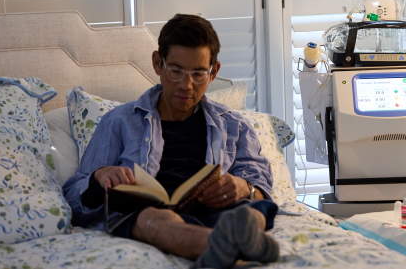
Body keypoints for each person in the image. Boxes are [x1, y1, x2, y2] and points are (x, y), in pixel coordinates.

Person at [63, 14, 279, 269]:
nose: (186, 85)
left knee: (253, 211)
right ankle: (235, 248)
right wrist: (99, 177)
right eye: (176, 71)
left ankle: (232, 243)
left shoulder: (234, 125)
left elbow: (261, 185)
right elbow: (74, 199)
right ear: (158, 63)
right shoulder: (119, 121)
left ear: (213, 72)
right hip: (155, 216)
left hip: (219, 213)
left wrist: (244, 188)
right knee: (150, 220)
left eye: (198, 73)